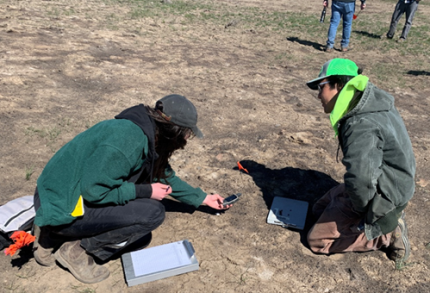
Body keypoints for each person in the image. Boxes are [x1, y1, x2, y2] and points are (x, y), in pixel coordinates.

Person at [32, 94, 232, 284]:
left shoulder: (146, 131)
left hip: (60, 196)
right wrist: (146, 191)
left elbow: (162, 173)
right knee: (151, 213)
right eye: (187, 133)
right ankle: (75, 250)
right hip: (61, 204)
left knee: (141, 231)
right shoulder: (128, 141)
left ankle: (51, 234)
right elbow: (94, 191)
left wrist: (202, 198)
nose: (187, 140)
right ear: (173, 130)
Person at [305, 58, 416, 266]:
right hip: (391, 180)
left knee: (317, 240)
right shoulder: (367, 101)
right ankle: (372, 216)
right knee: (318, 209)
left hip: (387, 193)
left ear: (339, 85)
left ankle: (388, 232)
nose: (318, 95)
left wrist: (362, 213)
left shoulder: (359, 124)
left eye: (321, 87)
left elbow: (362, 180)